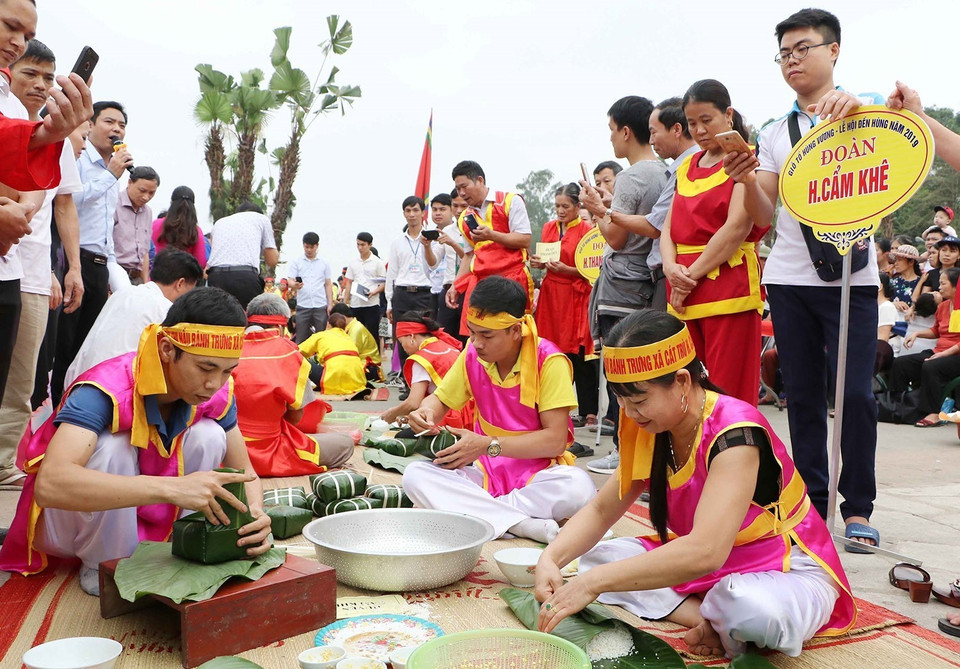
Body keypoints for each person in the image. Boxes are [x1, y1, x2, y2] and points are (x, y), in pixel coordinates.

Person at [535, 310, 855, 658]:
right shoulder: (650, 425)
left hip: (782, 564)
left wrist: (592, 585)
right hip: (709, 565)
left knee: (756, 612)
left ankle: (724, 616)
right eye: (621, 400)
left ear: (683, 381)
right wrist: (550, 559)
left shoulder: (735, 434)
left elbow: (706, 551)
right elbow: (601, 509)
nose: (628, 413)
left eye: (639, 400)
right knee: (599, 558)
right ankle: (707, 620)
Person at [0, 287, 272, 596]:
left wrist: (255, 513)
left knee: (210, 434)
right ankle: (104, 563)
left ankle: (187, 543)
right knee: (112, 447)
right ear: (168, 349)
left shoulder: (219, 390)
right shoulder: (105, 388)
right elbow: (51, 485)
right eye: (205, 367)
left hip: (149, 509)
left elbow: (246, 472)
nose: (214, 383)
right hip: (69, 523)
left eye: (227, 370)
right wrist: (174, 489)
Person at [755, 8, 882, 550]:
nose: (792, 61)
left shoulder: (870, 115)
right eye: (784, 53)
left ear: (834, 51)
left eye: (802, 48)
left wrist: (857, 113)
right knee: (802, 394)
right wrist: (744, 180)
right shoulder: (773, 133)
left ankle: (858, 508)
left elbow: (895, 170)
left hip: (854, 276)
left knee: (855, 393)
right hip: (787, 277)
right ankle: (808, 501)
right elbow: (764, 211)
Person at [403, 276, 596, 544]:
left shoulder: (549, 361)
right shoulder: (472, 353)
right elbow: (440, 401)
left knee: (578, 487)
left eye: (487, 335)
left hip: (540, 472)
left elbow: (555, 441)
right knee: (415, 476)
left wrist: (486, 446)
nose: (477, 342)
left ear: (516, 330)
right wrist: (425, 412)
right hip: (485, 472)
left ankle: (482, 514)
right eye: (472, 331)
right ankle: (522, 525)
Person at [0, 40, 85, 488]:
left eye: (49, 78)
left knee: (21, 381)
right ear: (7, 71)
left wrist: (69, 267)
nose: (39, 84)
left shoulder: (59, 140)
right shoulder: (7, 127)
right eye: (30, 72)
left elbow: (64, 207)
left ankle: (1, 464)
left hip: (30, 272)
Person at [661, 80, 773, 406]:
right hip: (683, 286)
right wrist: (670, 267)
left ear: (728, 115)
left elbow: (737, 227)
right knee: (684, 389)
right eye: (692, 123)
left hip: (727, 288)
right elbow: (668, 229)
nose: (699, 130)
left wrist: (687, 276)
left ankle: (734, 455)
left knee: (729, 390)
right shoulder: (687, 166)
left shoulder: (744, 158)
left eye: (706, 120)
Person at [579, 96, 669, 475]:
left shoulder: (632, 175)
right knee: (643, 367)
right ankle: (639, 449)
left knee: (619, 368)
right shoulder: (666, 171)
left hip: (622, 282)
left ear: (626, 131)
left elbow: (615, 238)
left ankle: (624, 449)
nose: (612, 138)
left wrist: (599, 211)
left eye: (613, 130)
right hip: (648, 281)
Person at [50, 100, 135, 405]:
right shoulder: (78, 159)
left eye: (122, 125)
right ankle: (54, 404)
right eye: (109, 122)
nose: (116, 130)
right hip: (73, 261)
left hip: (100, 265)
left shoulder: (114, 172)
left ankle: (77, 404)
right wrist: (110, 175)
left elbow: (106, 227)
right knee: (65, 341)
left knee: (90, 342)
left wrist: (112, 270)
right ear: (90, 123)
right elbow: (68, 201)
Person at [233, 293, 353, 477]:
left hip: (226, 451)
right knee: (345, 443)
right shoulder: (288, 352)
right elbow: (296, 415)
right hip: (271, 452)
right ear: (280, 326)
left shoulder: (229, 346)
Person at [64, 249, 204, 388]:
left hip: (76, 382)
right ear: (180, 283)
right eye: (189, 292)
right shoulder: (166, 310)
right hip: (110, 392)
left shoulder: (123, 293)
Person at [531, 183, 598, 428]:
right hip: (551, 295)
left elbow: (592, 268)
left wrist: (569, 270)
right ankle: (554, 406)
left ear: (577, 206)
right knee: (551, 350)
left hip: (575, 295)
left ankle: (589, 409)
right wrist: (538, 264)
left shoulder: (586, 230)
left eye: (565, 206)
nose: (560, 211)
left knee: (578, 353)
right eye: (557, 206)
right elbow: (544, 257)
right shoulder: (549, 227)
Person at [447, 162, 534, 336]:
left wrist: (492, 235)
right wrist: (455, 285)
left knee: (514, 333)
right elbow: (469, 254)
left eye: (464, 186)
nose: (461, 193)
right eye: (458, 189)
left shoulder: (510, 201)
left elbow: (525, 239)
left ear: (480, 180)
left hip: (512, 280)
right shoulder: (464, 217)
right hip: (481, 284)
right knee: (480, 334)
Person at [646, 97, 701, 310]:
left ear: (677, 129)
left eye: (653, 132)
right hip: (676, 273)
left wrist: (606, 212)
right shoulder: (685, 166)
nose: (651, 141)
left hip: (679, 275)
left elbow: (654, 227)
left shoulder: (688, 166)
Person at [888, 269, 960, 428]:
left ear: (956, 286)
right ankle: (900, 406)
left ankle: (933, 413)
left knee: (930, 366)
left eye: (943, 283)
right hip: (939, 352)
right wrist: (917, 334)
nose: (939, 287)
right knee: (901, 364)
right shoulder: (943, 306)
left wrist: (943, 354)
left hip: (955, 356)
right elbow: (936, 331)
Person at [386, 196, 439, 387]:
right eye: (408, 211)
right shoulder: (397, 242)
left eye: (415, 210)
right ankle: (408, 385)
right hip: (402, 293)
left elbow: (435, 266)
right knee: (402, 340)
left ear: (423, 212)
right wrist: (390, 301)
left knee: (424, 338)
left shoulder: (432, 238)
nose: (411, 214)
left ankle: (425, 384)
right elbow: (391, 272)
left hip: (425, 293)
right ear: (404, 214)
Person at [381, 311, 467, 428]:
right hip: (469, 412)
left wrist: (392, 413)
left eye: (401, 342)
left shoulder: (422, 359)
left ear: (411, 337)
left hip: (449, 416)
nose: (403, 348)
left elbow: (413, 403)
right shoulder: (449, 347)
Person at [206, 201, 279, 309]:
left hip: (216, 277)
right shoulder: (262, 219)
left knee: (217, 321)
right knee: (247, 321)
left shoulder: (219, 223)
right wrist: (270, 238)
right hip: (245, 278)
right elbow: (272, 260)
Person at [298, 312, 368, 398]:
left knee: (299, 359)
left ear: (328, 324)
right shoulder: (349, 338)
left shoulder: (320, 335)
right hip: (357, 380)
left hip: (332, 378)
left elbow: (298, 351)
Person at [426, 193, 466, 340]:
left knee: (466, 339)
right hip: (448, 289)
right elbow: (433, 262)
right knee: (444, 338)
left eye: (464, 206)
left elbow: (471, 259)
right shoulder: (447, 231)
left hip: (468, 290)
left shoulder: (476, 230)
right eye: (455, 206)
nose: (459, 210)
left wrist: (453, 244)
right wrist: (427, 246)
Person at [114, 166, 159, 285]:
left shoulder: (147, 212)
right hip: (115, 275)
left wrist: (144, 284)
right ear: (130, 182)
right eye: (142, 190)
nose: (146, 197)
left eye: (151, 193)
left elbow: (144, 252)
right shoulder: (114, 204)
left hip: (136, 278)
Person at [287, 231, 334, 344]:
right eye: (306, 247)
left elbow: (328, 284)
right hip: (303, 305)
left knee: (322, 338)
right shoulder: (296, 262)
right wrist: (295, 285)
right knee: (301, 338)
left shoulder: (324, 263)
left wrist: (330, 304)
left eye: (311, 247)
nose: (308, 250)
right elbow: (290, 280)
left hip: (320, 305)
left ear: (317, 246)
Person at [343, 231, 387, 344]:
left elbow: (384, 283)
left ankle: (374, 360)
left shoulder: (378, 263)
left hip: (372, 303)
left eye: (363, 245)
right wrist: (344, 302)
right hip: (356, 303)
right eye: (358, 244)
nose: (360, 247)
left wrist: (374, 292)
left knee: (372, 334)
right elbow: (349, 283)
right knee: (355, 334)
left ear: (370, 245)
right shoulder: (353, 262)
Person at [151, 185, 206, 269]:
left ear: (171, 203)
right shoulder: (195, 231)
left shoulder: (155, 225)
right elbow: (201, 262)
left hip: (156, 277)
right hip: (183, 279)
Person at [331, 302, 383, 382]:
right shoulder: (351, 327)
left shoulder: (356, 329)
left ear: (342, 317)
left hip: (369, 367)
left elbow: (350, 353)